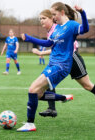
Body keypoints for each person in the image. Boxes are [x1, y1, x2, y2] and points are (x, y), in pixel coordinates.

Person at [17, 3, 89, 132]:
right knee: (38, 94)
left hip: (61, 65)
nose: (53, 17)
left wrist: (83, 12)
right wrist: (29, 38)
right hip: (52, 64)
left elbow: (85, 29)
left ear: (61, 12)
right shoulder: (58, 29)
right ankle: (63, 98)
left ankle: (30, 124)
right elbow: (48, 43)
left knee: (32, 89)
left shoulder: (71, 25)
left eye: (53, 14)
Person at [32, 9, 95, 120]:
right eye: (41, 19)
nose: (42, 21)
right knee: (48, 80)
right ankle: (52, 108)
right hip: (60, 61)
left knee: (88, 85)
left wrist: (41, 52)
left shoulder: (63, 27)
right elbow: (56, 48)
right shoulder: (52, 30)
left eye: (45, 18)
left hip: (73, 58)